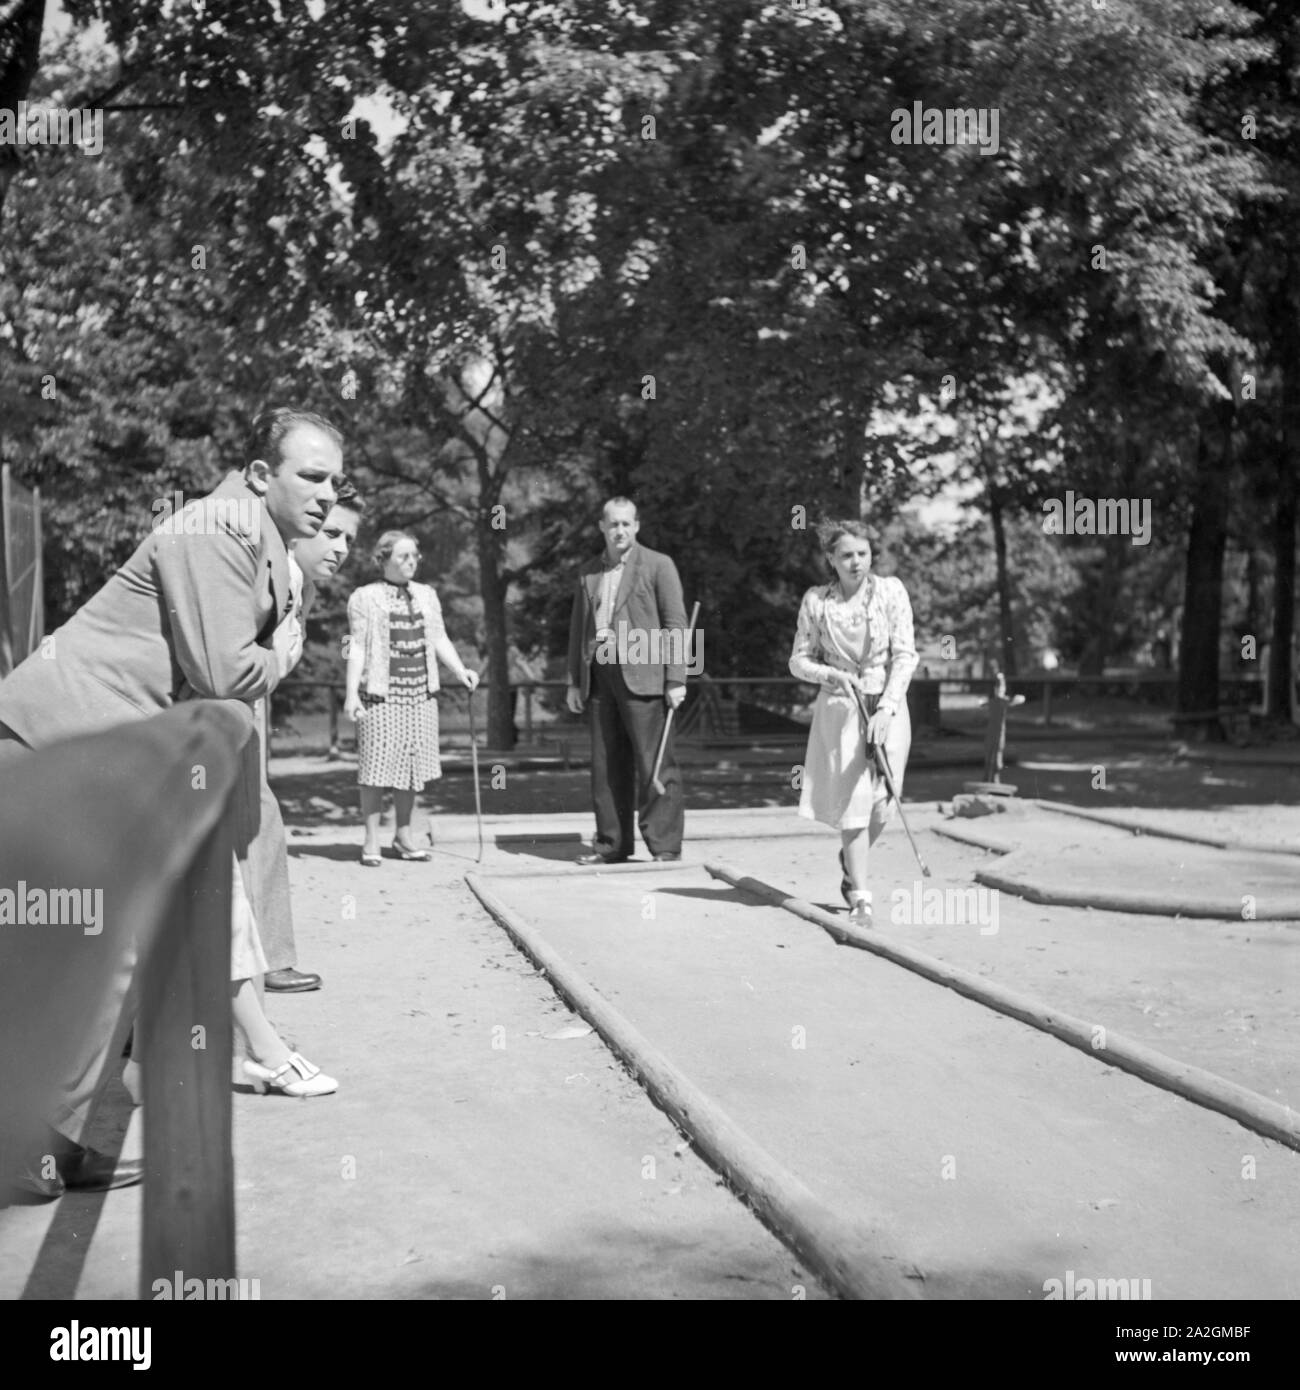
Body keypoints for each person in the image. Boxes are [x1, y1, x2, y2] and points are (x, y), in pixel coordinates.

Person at [0, 407, 345, 1195]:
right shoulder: (213, 530)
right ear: (262, 476)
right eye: (310, 476)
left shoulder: (257, 547)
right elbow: (225, 671)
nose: (326, 496)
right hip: (58, 741)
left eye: (334, 481)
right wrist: (282, 652)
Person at [788, 518, 918, 926]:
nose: (856, 562)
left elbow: (906, 655)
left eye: (862, 553)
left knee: (884, 802)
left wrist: (886, 708)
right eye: (846, 555)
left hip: (888, 705)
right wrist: (830, 675)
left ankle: (848, 858)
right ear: (831, 558)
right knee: (855, 804)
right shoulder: (816, 601)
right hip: (840, 710)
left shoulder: (892, 591)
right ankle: (861, 894)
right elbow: (798, 659)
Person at [343, 531, 479, 865]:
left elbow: (438, 638)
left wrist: (460, 670)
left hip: (420, 694)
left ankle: (404, 836)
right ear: (383, 559)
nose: (411, 562)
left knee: (410, 768)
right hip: (380, 696)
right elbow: (356, 647)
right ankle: (371, 840)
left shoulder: (427, 595)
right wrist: (350, 695)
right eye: (403, 556)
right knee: (375, 768)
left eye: (415, 556)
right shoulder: (364, 597)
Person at [566, 497, 688, 864]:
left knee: (654, 765)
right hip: (600, 672)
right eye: (613, 524)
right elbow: (577, 630)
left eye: (626, 524)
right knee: (605, 765)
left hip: (645, 672)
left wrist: (676, 677)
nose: (620, 530)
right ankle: (611, 845)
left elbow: (676, 624)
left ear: (637, 526)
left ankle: (664, 847)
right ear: (601, 527)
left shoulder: (658, 565)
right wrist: (574, 681)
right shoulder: (588, 572)